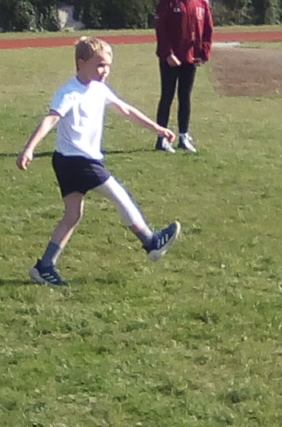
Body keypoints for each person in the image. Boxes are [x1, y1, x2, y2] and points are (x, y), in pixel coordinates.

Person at [16, 36, 182, 286]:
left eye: (108, 66)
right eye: (100, 65)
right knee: (119, 195)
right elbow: (51, 119)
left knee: (72, 215)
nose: (105, 71)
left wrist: (157, 128)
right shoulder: (69, 92)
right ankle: (151, 241)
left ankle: (45, 266)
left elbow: (126, 110)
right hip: (77, 161)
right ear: (81, 63)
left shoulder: (99, 89)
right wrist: (29, 149)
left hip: (69, 161)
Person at [154, 0, 213, 153]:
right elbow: (161, 30)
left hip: (190, 58)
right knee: (167, 96)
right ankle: (162, 138)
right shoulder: (169, 0)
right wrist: (168, 53)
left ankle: (183, 136)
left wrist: (203, 52)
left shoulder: (202, 1)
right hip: (171, 59)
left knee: (185, 97)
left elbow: (208, 29)